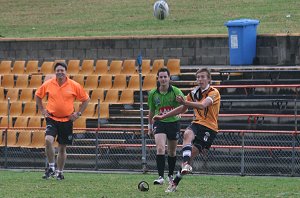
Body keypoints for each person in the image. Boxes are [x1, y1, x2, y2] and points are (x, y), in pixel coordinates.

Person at [153, 68, 221, 192]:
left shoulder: (214, 92)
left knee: (191, 156)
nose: (200, 79)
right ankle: (185, 165)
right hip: (197, 123)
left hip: (210, 128)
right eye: (198, 77)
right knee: (187, 134)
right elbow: (182, 109)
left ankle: (175, 182)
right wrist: (163, 116)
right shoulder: (194, 92)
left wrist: (185, 102)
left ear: (209, 79)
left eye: (203, 77)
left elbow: (202, 105)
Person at [36, 62, 90, 180]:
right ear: (55, 72)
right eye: (58, 70)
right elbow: (38, 95)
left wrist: (78, 113)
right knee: (48, 140)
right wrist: (42, 110)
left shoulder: (74, 85)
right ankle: (51, 167)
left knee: (62, 148)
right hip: (52, 118)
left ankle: (60, 172)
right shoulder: (49, 83)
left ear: (66, 72)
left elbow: (86, 99)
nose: (60, 72)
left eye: (62, 70)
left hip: (66, 120)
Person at [147, 67, 185, 185]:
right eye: (161, 77)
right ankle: (160, 177)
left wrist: (180, 114)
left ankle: (170, 175)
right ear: (158, 78)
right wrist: (149, 126)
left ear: (169, 78)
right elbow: (152, 111)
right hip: (159, 122)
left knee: (172, 151)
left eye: (165, 77)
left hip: (173, 123)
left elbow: (184, 105)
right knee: (160, 148)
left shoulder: (176, 91)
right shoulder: (153, 93)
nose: (163, 79)